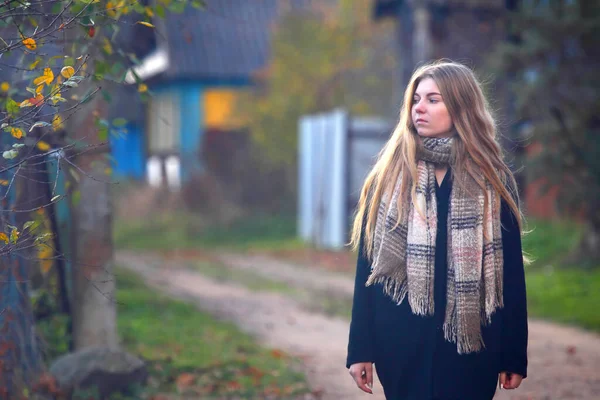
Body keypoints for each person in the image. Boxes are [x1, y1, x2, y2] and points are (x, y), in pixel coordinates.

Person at [346, 60, 528, 400]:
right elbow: (367, 270)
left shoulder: (492, 180)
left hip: (473, 344)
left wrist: (514, 353)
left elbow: (511, 275)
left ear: (461, 107)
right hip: (400, 342)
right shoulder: (389, 178)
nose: (419, 108)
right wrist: (360, 349)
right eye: (416, 99)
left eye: (433, 99)